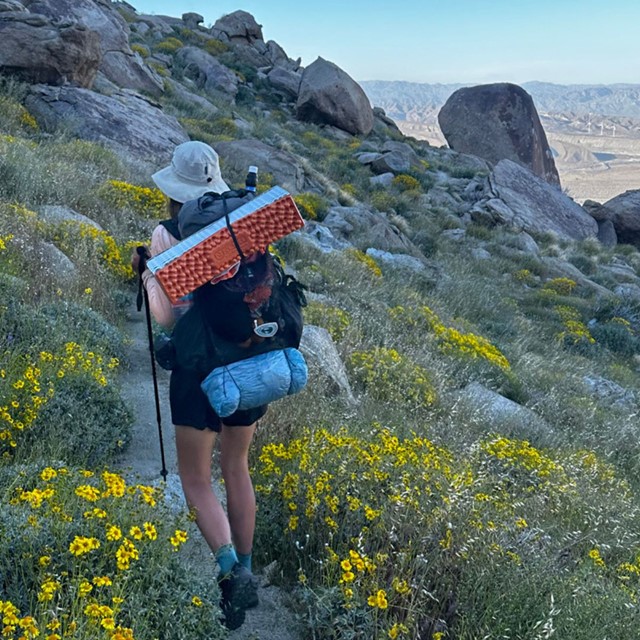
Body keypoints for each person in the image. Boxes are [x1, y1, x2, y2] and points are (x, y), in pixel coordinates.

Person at [133, 141, 260, 630]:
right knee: (237, 466)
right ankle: (247, 567)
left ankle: (230, 573)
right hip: (248, 362)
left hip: (198, 370)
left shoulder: (168, 233)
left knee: (196, 479)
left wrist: (149, 277)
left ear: (174, 189)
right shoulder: (244, 226)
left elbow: (166, 318)